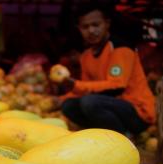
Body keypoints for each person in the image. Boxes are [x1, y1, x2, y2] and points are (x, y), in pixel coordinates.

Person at [57, 4, 155, 136]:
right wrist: (62, 98)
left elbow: (117, 87)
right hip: (109, 105)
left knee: (90, 102)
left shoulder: (121, 48)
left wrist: (76, 85)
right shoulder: (86, 56)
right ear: (79, 29)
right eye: (85, 27)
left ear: (107, 24)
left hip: (137, 112)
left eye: (96, 25)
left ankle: (124, 137)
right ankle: (101, 135)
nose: (91, 30)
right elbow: (86, 88)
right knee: (68, 106)